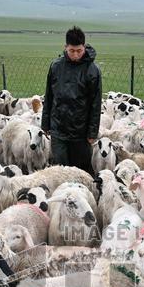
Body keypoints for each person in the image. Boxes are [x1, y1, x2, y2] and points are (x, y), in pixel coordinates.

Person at [41, 26, 101, 175]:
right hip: (58, 129)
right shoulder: (56, 67)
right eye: (72, 51)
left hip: (81, 132)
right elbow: (49, 96)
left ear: (84, 47)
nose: (75, 54)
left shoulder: (92, 70)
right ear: (65, 47)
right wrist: (45, 123)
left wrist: (92, 132)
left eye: (79, 51)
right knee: (61, 171)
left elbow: (95, 103)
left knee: (81, 172)